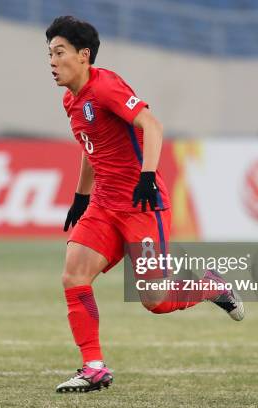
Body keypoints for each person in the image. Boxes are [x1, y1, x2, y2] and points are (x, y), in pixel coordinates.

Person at [46, 16, 244, 394]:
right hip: (104, 204)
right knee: (73, 275)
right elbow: (92, 147)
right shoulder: (71, 100)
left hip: (142, 205)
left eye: (59, 53)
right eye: (49, 54)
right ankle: (93, 367)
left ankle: (209, 286)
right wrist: (81, 196)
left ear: (83, 56)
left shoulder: (106, 86)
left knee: (154, 300)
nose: (52, 62)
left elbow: (152, 126)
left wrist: (148, 176)